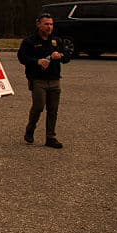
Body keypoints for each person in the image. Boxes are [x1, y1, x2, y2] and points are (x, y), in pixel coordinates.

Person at [17, 12, 72, 149]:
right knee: (39, 106)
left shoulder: (56, 41)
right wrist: (37, 61)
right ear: (38, 24)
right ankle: (30, 129)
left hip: (54, 79)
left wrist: (60, 55)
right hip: (38, 80)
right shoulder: (30, 41)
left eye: (51, 24)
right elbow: (22, 58)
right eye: (46, 24)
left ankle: (50, 137)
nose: (49, 27)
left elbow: (67, 57)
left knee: (53, 109)